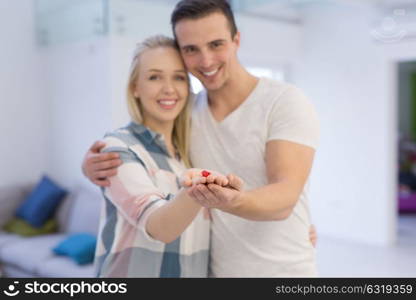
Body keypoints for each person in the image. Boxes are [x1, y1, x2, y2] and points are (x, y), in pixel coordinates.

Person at [84, 0, 320, 277]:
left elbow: (285, 197)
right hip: (214, 273)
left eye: (216, 44)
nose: (206, 61)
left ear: (236, 40)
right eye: (191, 49)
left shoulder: (284, 101)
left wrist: (227, 200)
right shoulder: (186, 113)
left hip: (282, 272)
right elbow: (141, 150)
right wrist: (90, 165)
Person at [94, 35, 235, 277]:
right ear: (135, 87)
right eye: (154, 77)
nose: (169, 88)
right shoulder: (118, 148)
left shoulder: (189, 156)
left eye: (179, 77)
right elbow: (160, 227)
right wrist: (198, 189)